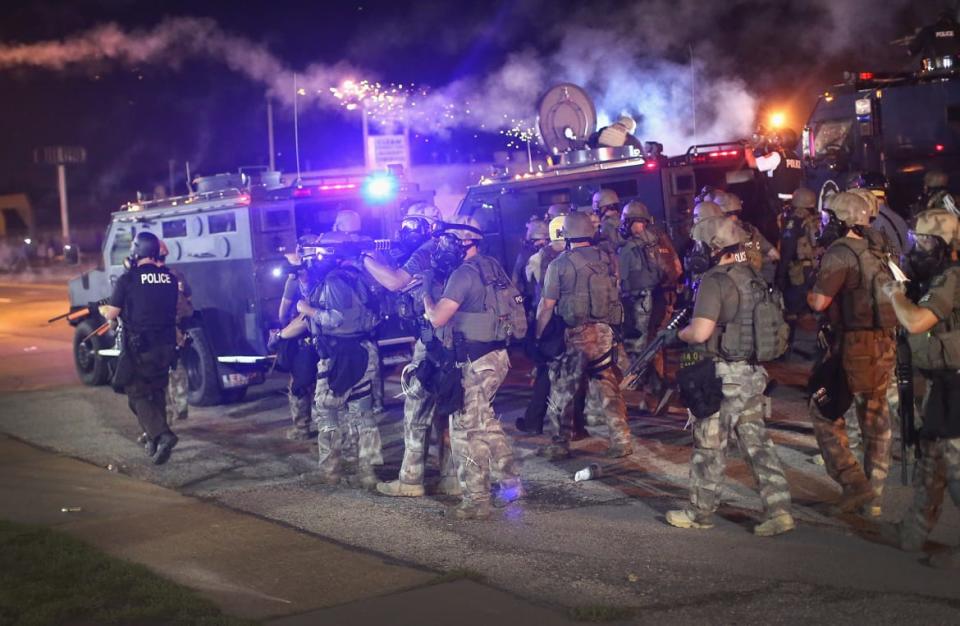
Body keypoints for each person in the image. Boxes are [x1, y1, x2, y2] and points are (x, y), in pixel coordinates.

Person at [665, 216, 795, 537]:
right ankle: (779, 510)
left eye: (699, 244)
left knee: (709, 446)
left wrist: (677, 335)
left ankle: (700, 512)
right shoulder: (752, 273)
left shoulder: (716, 279)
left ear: (714, 247)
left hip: (721, 375)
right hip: (751, 373)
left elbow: (700, 332)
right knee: (758, 445)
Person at [422, 216, 523, 520]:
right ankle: (511, 483)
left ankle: (477, 500)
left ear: (467, 242)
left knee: (467, 428)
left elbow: (438, 318)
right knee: (486, 421)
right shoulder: (493, 266)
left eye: (451, 240)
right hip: (496, 357)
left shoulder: (463, 274)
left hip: (475, 362)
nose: (445, 246)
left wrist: (426, 298)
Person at [807, 192, 898, 515]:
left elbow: (819, 302)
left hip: (853, 346)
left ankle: (853, 483)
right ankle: (873, 498)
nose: (824, 222)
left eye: (829, 217)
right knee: (876, 420)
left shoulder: (839, 253)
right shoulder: (880, 250)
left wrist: (809, 286)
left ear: (840, 219)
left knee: (823, 411)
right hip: (884, 343)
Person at [363, 204, 459, 497]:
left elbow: (394, 282)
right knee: (449, 410)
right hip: (453, 340)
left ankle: (411, 479)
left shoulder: (427, 250)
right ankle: (452, 478)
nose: (405, 232)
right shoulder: (447, 250)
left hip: (431, 342)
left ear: (430, 227)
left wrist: (365, 259)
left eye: (412, 225)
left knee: (416, 407)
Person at [884, 208, 960, 569]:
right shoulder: (941, 276)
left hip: (955, 386)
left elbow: (917, 322)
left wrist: (896, 296)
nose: (917, 247)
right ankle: (913, 532)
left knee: (957, 468)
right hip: (941, 384)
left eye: (924, 241)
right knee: (930, 463)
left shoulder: (952, 277)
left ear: (944, 245)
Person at [537, 212, 633, 460]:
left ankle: (559, 443)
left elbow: (547, 305)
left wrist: (538, 335)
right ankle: (621, 439)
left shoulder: (559, 264)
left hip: (576, 335)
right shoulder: (606, 258)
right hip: (604, 333)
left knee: (562, 390)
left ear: (566, 234)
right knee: (607, 385)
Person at [298, 232, 383, 488]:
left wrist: (307, 309)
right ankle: (367, 472)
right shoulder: (361, 276)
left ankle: (331, 472)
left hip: (338, 354)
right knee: (362, 412)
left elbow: (336, 319)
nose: (317, 257)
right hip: (364, 351)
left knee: (326, 411)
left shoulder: (335, 280)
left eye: (321, 252)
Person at [101, 231, 180, 465]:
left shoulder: (128, 279)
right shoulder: (170, 278)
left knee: (135, 393)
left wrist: (105, 311)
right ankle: (155, 442)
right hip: (166, 346)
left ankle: (163, 435)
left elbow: (113, 314)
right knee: (156, 392)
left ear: (136, 252)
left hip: (140, 348)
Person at [618, 200, 682, 405]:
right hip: (661, 298)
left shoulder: (630, 246)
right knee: (655, 345)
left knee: (638, 349)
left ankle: (656, 389)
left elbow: (622, 279)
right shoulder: (661, 239)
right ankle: (658, 387)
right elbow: (677, 270)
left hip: (639, 301)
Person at [157, 240, 193, 425]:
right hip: (179, 330)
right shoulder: (175, 274)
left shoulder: (151, 278)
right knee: (177, 367)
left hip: (162, 331)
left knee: (161, 374)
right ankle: (181, 405)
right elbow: (188, 298)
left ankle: (167, 416)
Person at [713, 190, 779, 284]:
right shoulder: (750, 230)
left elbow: (774, 255)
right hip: (749, 286)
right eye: (730, 214)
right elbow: (774, 255)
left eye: (735, 213)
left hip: (738, 287)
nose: (734, 218)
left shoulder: (750, 230)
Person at [776, 187, 821, 317]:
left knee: (794, 312)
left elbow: (787, 249)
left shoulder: (794, 220)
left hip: (799, 272)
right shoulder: (817, 219)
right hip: (816, 269)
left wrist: (781, 275)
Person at [513, 218, 549, 324]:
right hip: (532, 300)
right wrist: (519, 303)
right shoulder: (525, 255)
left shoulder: (525, 255)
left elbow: (515, 280)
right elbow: (515, 281)